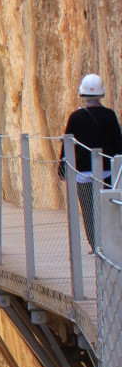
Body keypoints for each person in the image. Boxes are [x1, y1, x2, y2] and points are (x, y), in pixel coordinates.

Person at [58, 73, 122, 247]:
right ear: (101, 94)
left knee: (88, 210)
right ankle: (109, 244)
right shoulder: (109, 116)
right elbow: (118, 144)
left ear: (82, 94)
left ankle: (95, 245)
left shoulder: (76, 117)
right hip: (107, 172)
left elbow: (67, 144)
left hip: (83, 173)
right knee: (108, 208)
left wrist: (62, 169)